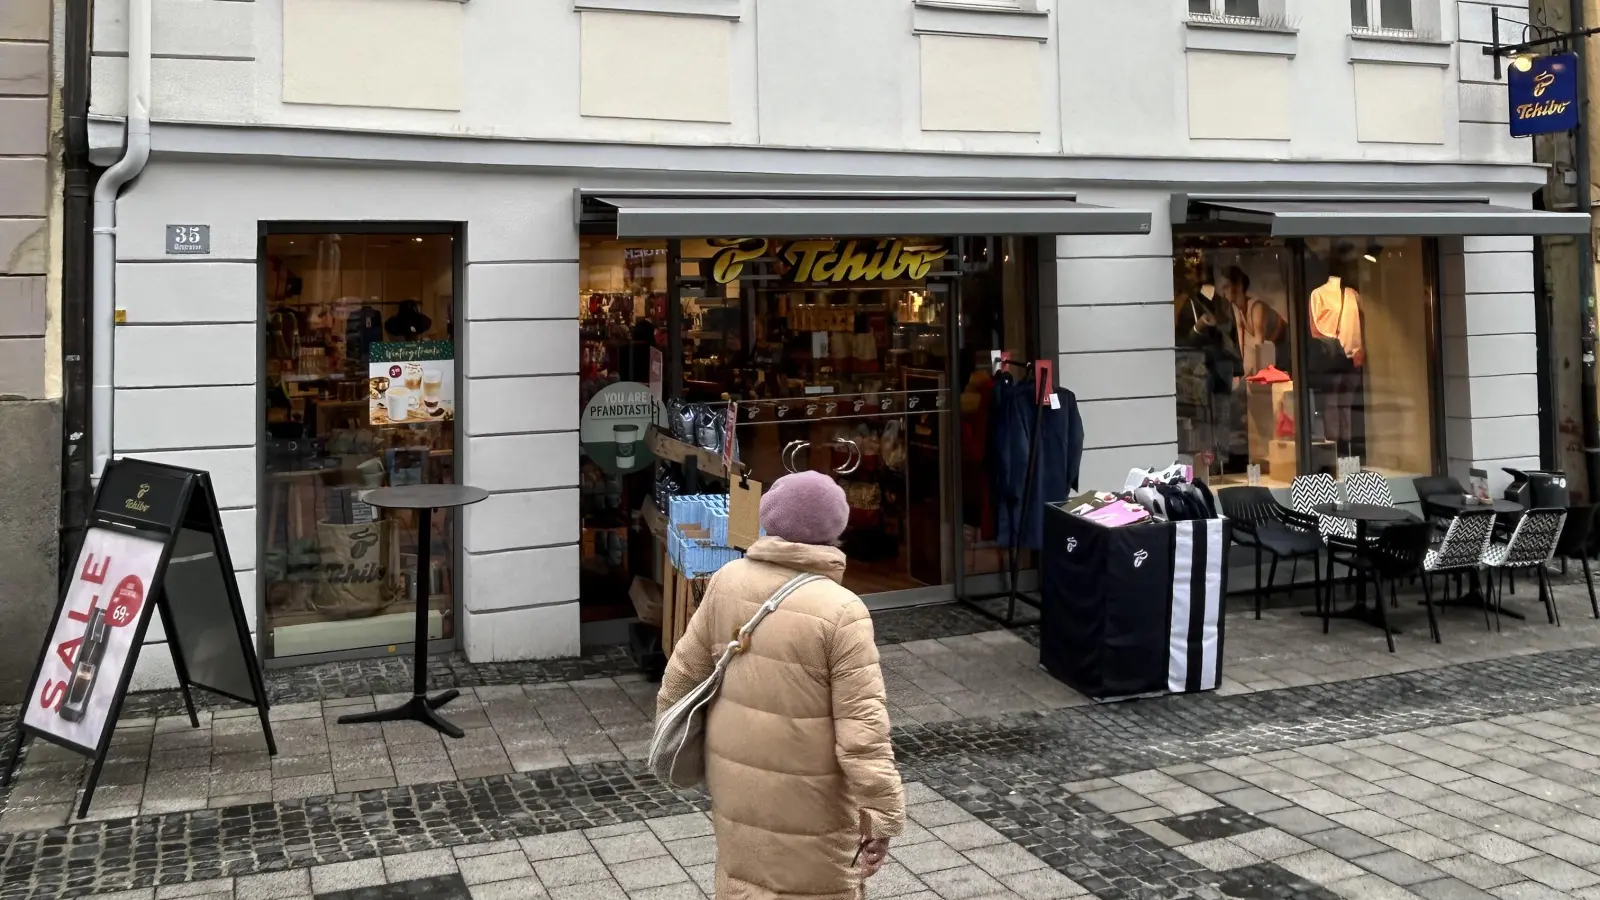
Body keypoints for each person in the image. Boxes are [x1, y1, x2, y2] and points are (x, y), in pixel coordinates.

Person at [656, 470, 905, 900]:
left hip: (736, 781)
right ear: (836, 531)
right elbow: (863, 734)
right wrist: (882, 814)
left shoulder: (727, 580)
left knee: (743, 885)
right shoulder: (842, 611)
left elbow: (679, 678)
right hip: (813, 798)